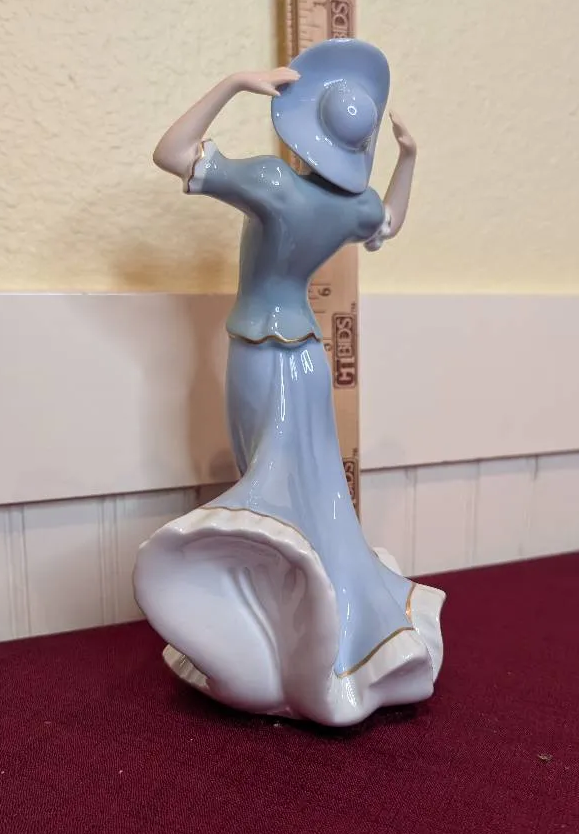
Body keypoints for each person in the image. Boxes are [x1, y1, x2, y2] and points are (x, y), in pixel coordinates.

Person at [134, 38, 445, 727]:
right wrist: (408, 158)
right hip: (305, 356)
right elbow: (391, 221)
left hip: (259, 350)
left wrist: (231, 84)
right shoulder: (353, 206)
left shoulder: (274, 185)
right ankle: (325, 631)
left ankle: (295, 634)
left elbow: (172, 152)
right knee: (311, 492)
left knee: (270, 489)